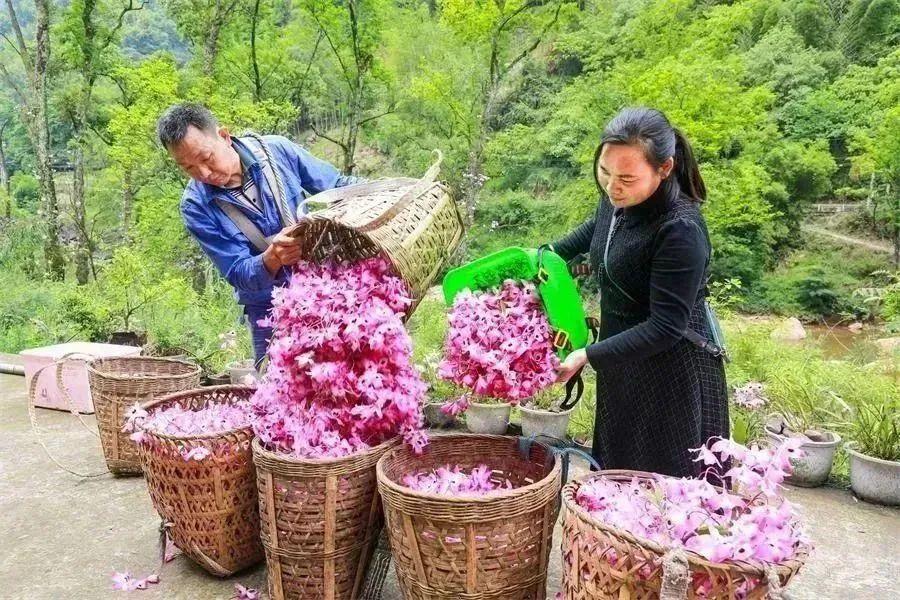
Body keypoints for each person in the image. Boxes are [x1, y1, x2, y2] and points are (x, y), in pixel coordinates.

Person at [552, 107, 728, 478]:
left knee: (663, 488)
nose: (612, 186)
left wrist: (586, 354)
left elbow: (666, 326)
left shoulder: (680, 229)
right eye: (605, 172)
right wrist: (542, 259)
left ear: (664, 169)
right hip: (623, 357)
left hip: (672, 371)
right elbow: (596, 231)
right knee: (616, 471)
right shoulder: (618, 197)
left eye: (626, 179)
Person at [156, 102, 363, 366]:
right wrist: (271, 259)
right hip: (269, 311)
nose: (204, 173)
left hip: (325, 289)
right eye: (189, 168)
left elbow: (337, 187)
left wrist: (393, 191)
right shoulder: (196, 206)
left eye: (207, 158)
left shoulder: (275, 152)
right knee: (280, 391)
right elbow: (237, 272)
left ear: (224, 136)